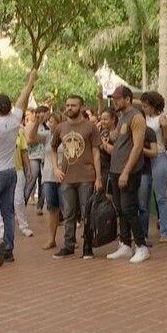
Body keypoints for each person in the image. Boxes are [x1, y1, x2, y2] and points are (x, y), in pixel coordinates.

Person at [0, 69, 38, 267]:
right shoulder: (15, 120)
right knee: (7, 212)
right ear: (10, 107)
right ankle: (9, 249)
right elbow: (24, 96)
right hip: (11, 171)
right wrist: (31, 79)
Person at [52, 95, 103, 259]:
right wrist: (55, 168)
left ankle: (88, 246)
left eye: (73, 105)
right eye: (67, 105)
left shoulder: (90, 127)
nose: (69, 108)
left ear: (81, 107)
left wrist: (98, 177)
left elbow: (96, 152)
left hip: (87, 177)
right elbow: (53, 148)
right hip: (66, 177)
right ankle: (68, 245)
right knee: (68, 214)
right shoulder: (60, 128)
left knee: (87, 213)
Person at [106, 86, 150, 263]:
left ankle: (141, 246)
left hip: (129, 172)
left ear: (128, 99)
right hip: (115, 170)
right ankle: (125, 244)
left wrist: (126, 171)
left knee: (129, 208)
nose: (115, 101)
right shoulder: (122, 117)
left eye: (118, 98)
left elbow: (138, 146)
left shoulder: (136, 117)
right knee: (120, 209)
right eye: (114, 98)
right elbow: (118, 139)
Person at [139, 91, 167, 243]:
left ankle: (166, 230)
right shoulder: (141, 118)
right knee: (143, 198)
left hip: (159, 156)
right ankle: (143, 232)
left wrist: (165, 127)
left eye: (146, 105)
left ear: (153, 106)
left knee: (161, 196)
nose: (144, 107)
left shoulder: (161, 118)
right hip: (144, 158)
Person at [28, 110, 64, 250]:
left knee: (67, 209)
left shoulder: (66, 136)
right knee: (52, 208)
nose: (51, 124)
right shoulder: (47, 135)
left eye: (53, 121)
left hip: (63, 176)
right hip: (48, 176)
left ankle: (70, 237)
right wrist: (37, 122)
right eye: (49, 121)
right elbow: (31, 138)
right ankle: (51, 239)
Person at [27, 105, 50, 215]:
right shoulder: (31, 125)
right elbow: (28, 140)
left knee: (44, 183)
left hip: (45, 157)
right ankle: (23, 203)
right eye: (45, 113)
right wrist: (39, 139)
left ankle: (40, 205)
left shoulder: (47, 127)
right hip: (34, 156)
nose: (47, 116)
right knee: (32, 180)